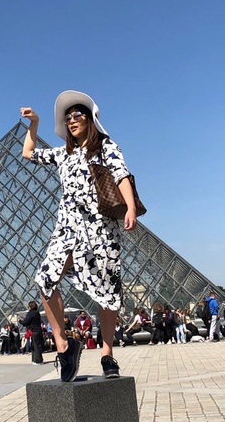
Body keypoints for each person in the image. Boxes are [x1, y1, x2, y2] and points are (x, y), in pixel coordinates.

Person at [20, 91, 137, 382]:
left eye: (77, 115)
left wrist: (131, 207)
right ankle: (64, 346)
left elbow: (122, 175)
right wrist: (34, 124)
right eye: (67, 118)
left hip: (101, 229)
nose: (71, 121)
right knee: (45, 278)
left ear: (90, 119)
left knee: (107, 291)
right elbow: (28, 153)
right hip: (68, 228)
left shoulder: (106, 147)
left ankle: (107, 355)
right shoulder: (63, 154)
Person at [19, 300, 44, 365]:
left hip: (34, 331)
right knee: (36, 345)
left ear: (30, 306)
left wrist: (20, 321)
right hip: (38, 330)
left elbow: (26, 322)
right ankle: (35, 359)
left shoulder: (31, 313)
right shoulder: (37, 312)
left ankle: (38, 360)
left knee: (35, 346)